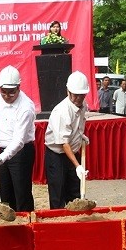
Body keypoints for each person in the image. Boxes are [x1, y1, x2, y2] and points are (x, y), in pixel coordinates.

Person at [0, 66, 35, 212]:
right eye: (3, 91)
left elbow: (18, 141)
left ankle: (25, 222)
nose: (7, 96)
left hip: (20, 153)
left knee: (21, 193)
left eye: (11, 92)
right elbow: (0, 108)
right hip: (2, 151)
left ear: (18, 88)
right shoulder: (1, 96)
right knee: (6, 192)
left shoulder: (26, 108)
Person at [44, 71, 90, 209]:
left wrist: (80, 135)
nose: (78, 98)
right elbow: (64, 144)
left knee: (75, 191)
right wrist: (78, 166)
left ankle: (75, 221)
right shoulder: (62, 112)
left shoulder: (83, 105)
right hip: (56, 156)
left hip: (72, 152)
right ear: (68, 91)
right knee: (58, 193)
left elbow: (77, 125)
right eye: (75, 95)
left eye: (81, 95)